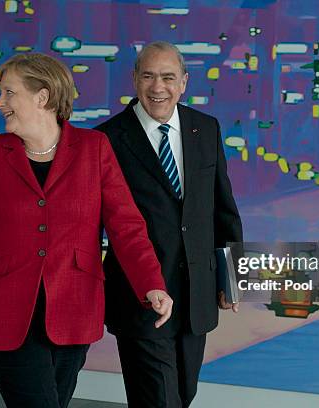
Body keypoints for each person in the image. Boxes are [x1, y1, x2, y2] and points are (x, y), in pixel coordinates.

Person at [0, 52, 173, 408]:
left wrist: (152, 284)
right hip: (2, 311)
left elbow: (127, 227)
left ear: (42, 96)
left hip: (73, 310)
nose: (0, 102)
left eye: (9, 93)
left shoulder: (94, 149)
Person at [95, 41, 243, 407]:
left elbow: (223, 209)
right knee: (159, 398)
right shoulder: (106, 139)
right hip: (139, 297)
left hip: (197, 295)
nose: (157, 87)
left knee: (183, 393)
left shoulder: (205, 129)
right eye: (148, 76)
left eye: (167, 77)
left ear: (184, 82)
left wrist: (231, 279)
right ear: (134, 80)